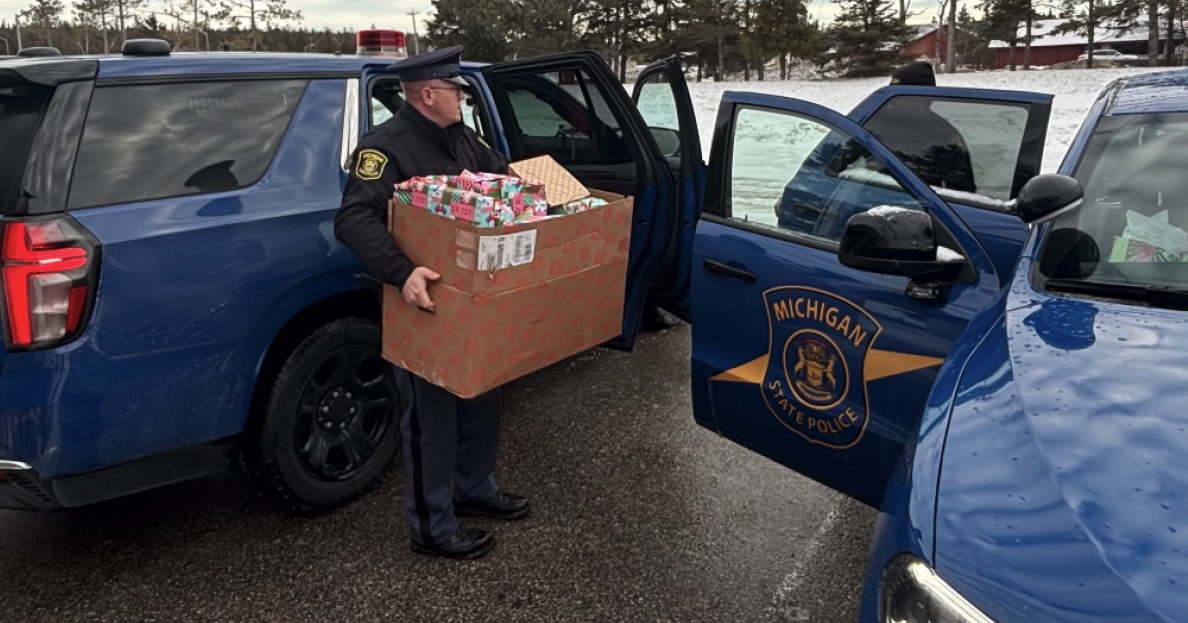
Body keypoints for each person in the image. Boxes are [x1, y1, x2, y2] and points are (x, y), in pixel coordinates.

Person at [334, 45, 530, 560]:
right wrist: (402, 273)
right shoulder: (386, 148)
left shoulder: (464, 140)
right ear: (428, 94)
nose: (464, 99)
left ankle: (474, 488)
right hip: (421, 301)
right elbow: (354, 219)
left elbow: (506, 183)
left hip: (473, 299)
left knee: (482, 391)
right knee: (430, 415)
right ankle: (432, 526)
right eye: (457, 91)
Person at [863, 60, 977, 193]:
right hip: (869, 195)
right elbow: (840, 157)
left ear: (924, 98)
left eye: (903, 97)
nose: (895, 104)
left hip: (917, 206)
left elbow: (961, 193)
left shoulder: (943, 134)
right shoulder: (876, 121)